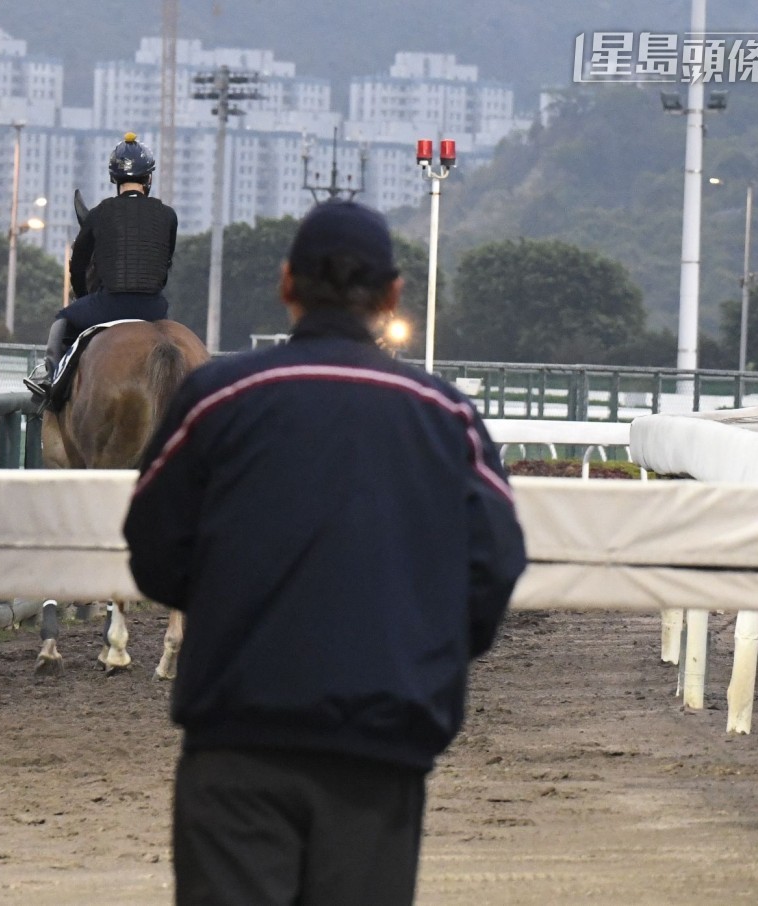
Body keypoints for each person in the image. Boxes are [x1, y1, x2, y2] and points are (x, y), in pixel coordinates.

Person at [123, 200, 527, 906]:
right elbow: (494, 565)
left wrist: (228, 607)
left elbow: (153, 547)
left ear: (287, 285)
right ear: (393, 295)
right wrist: (421, 651)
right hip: (382, 745)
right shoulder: (448, 416)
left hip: (236, 736)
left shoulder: (217, 398)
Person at [24, 132, 178, 402]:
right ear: (149, 178)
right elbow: (165, 264)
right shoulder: (168, 216)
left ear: (114, 179)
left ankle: (51, 379)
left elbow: (78, 264)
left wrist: (84, 297)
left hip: (110, 305)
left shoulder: (99, 214)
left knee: (63, 320)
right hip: (154, 308)